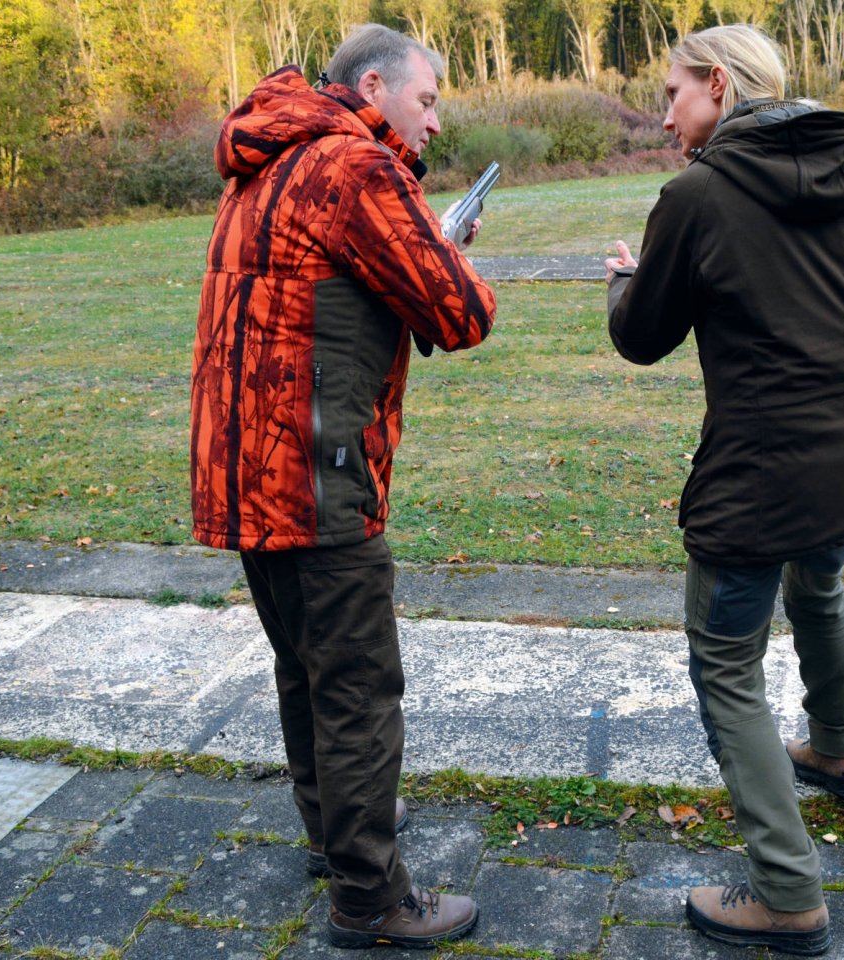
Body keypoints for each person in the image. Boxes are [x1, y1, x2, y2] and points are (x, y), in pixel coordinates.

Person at [605, 24, 844, 956]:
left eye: (674, 93)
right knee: (819, 591)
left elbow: (640, 336)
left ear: (722, 89)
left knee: (725, 665)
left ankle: (785, 892)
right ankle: (836, 749)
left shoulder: (695, 195)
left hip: (757, 473)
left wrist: (624, 284)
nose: (665, 113)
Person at [190, 23, 495, 949]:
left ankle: (336, 835)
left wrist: (424, 240)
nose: (435, 122)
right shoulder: (353, 168)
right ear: (374, 85)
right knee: (358, 684)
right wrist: (451, 254)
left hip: (244, 463)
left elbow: (320, 285)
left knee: (305, 666)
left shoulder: (268, 157)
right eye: (428, 99)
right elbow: (460, 312)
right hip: (314, 468)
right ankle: (370, 899)